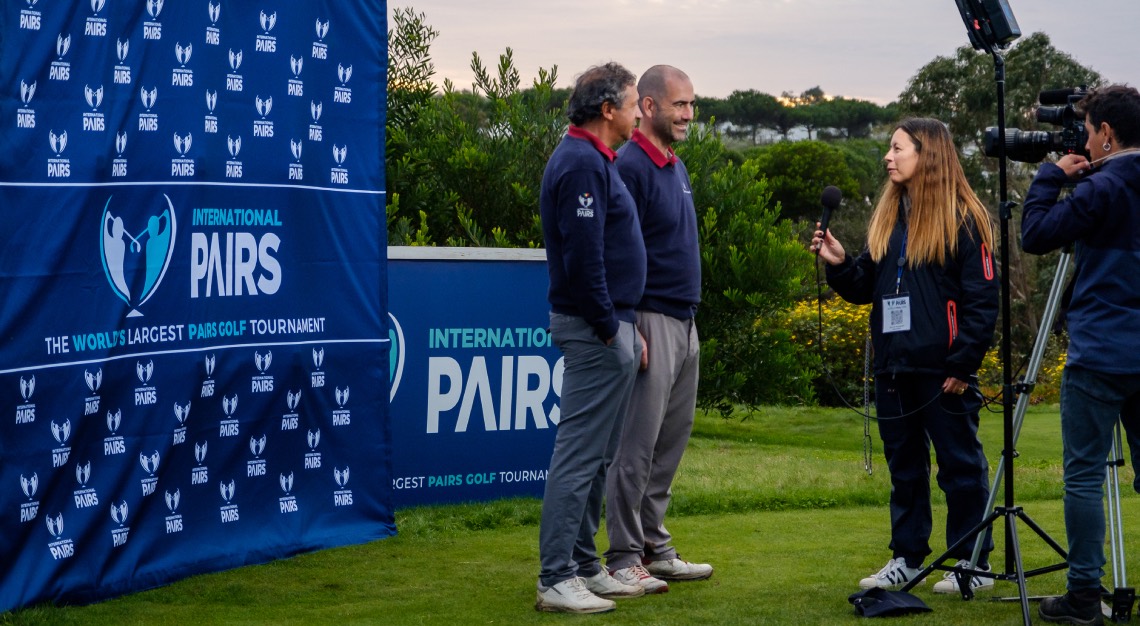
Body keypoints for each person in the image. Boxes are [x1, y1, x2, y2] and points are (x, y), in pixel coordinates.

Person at [811, 117, 998, 594]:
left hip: (943, 371)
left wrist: (963, 363)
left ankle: (971, 564)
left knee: (959, 466)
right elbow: (865, 288)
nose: (888, 158)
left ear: (927, 153)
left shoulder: (964, 217)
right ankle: (908, 557)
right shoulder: (890, 215)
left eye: (898, 149)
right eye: (890, 150)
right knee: (905, 468)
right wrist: (839, 263)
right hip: (894, 366)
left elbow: (982, 300)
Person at [1021, 84, 1140, 626]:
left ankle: (1083, 596)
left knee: (1086, 476)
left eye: (1090, 131)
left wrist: (1051, 177)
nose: (1087, 142)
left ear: (1107, 134)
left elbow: (1036, 234)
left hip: (1101, 352)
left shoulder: (1103, 187)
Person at [535, 62, 647, 614]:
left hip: (611, 326)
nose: (636, 113)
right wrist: (610, 328)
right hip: (593, 331)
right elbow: (584, 262)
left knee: (597, 457)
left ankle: (582, 567)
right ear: (608, 111)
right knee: (579, 456)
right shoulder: (580, 162)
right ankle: (556, 576)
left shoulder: (593, 158)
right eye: (631, 104)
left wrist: (623, 326)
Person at [604, 65, 712, 594]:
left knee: (669, 444)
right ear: (648, 106)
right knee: (636, 447)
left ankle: (654, 547)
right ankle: (623, 558)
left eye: (692, 104)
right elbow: (616, 251)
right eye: (680, 105)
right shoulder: (630, 166)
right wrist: (628, 324)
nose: (689, 114)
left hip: (684, 321)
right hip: (649, 320)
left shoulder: (676, 165)